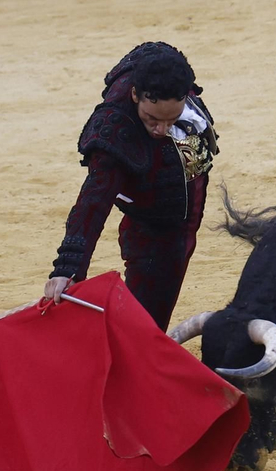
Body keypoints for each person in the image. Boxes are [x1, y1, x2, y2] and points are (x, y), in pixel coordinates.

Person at [46, 42, 219, 331]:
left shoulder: (171, 79)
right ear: (135, 95)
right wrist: (68, 268)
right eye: (152, 119)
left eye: (171, 119)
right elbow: (93, 200)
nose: (161, 130)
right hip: (154, 225)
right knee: (147, 319)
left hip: (183, 210)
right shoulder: (115, 132)